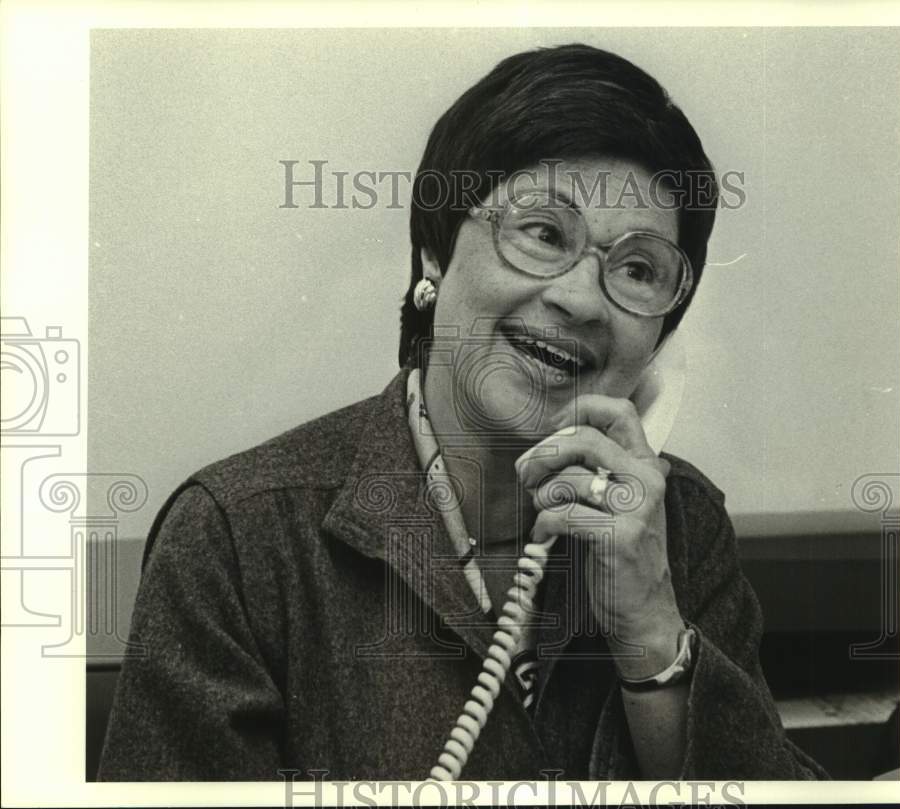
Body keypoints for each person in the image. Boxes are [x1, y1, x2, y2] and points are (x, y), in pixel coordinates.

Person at [98, 43, 828, 781]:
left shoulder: (680, 526)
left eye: (638, 270)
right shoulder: (238, 539)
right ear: (435, 252)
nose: (580, 298)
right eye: (543, 234)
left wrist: (653, 636)